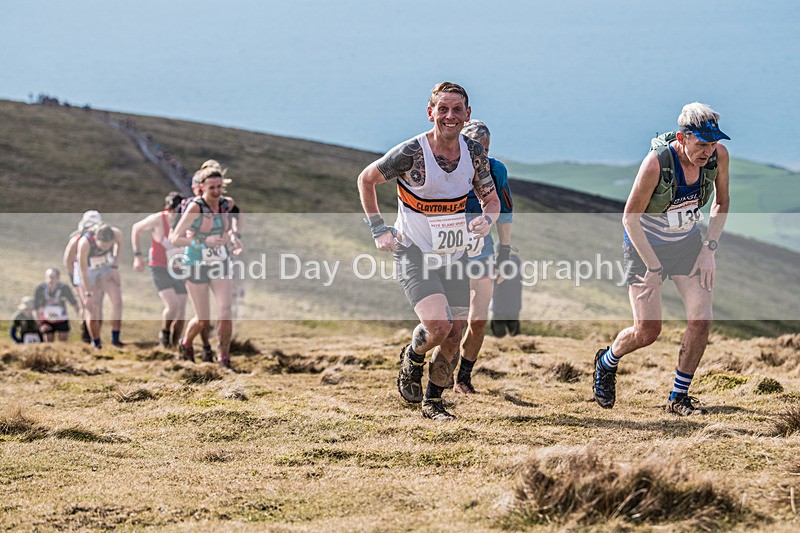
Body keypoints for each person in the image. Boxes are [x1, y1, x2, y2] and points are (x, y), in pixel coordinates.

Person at [357, 82, 500, 421]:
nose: (450, 116)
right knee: (437, 326)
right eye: (443, 109)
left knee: (454, 332)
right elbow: (366, 180)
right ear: (431, 112)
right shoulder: (411, 152)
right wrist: (378, 229)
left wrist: (487, 219)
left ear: (467, 115)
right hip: (414, 251)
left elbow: (490, 199)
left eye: (457, 110)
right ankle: (413, 357)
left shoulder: (474, 154)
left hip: (455, 253)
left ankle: (433, 402)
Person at [593, 102, 731, 416]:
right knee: (647, 331)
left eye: (712, 143)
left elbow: (721, 203)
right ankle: (606, 361)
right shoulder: (657, 163)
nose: (708, 151)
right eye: (701, 144)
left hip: (687, 245)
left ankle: (678, 397)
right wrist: (653, 266)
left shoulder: (718, 157)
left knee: (701, 319)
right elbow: (629, 218)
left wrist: (710, 249)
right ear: (683, 138)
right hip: (645, 246)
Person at [452, 119, 514, 394]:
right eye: (473, 147)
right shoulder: (448, 168)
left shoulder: (497, 170)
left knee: (477, 319)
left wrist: (505, 252)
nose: (480, 155)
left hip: (482, 251)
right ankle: (435, 371)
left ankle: (463, 378)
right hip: (449, 250)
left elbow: (505, 214)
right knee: (451, 320)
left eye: (485, 150)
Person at [170, 167, 243, 368]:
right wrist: (203, 241)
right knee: (203, 319)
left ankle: (224, 359)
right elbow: (175, 238)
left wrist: (234, 238)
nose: (216, 192)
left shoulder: (227, 205)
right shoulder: (195, 208)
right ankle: (185, 344)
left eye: (220, 187)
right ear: (201, 187)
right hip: (195, 264)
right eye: (212, 188)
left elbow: (231, 225)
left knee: (225, 311)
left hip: (220, 263)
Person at [131, 192, 188, 348]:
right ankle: (165, 332)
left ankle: (174, 346)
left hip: (180, 268)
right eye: (172, 212)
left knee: (181, 310)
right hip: (160, 267)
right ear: (167, 209)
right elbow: (136, 228)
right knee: (173, 305)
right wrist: (137, 256)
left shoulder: (187, 221)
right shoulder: (158, 220)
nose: (175, 216)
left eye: (179, 213)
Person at [76, 223, 125, 349]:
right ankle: (96, 343)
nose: (105, 248)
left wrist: (115, 267)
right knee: (93, 307)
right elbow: (83, 271)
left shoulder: (116, 233)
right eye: (103, 245)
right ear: (96, 239)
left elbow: (120, 245)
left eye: (109, 245)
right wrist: (88, 293)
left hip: (106, 268)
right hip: (88, 272)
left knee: (117, 302)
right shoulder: (85, 243)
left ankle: (115, 339)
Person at [63, 210, 103, 343]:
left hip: (95, 275)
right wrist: (76, 281)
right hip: (80, 277)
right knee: (86, 305)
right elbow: (68, 261)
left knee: (97, 305)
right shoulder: (77, 239)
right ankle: (87, 334)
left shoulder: (100, 238)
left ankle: (95, 334)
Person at [34, 268, 79, 342]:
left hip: (61, 318)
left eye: (52, 277)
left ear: (58, 278)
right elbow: (35, 308)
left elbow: (74, 303)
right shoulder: (40, 289)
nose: (50, 280)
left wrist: (80, 316)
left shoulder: (64, 288)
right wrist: (40, 324)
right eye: (48, 277)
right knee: (49, 343)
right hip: (46, 319)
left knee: (63, 342)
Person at [489, 252, 523, 337]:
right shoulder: (516, 262)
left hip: (499, 309)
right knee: (515, 335)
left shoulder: (496, 264)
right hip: (514, 308)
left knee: (498, 337)